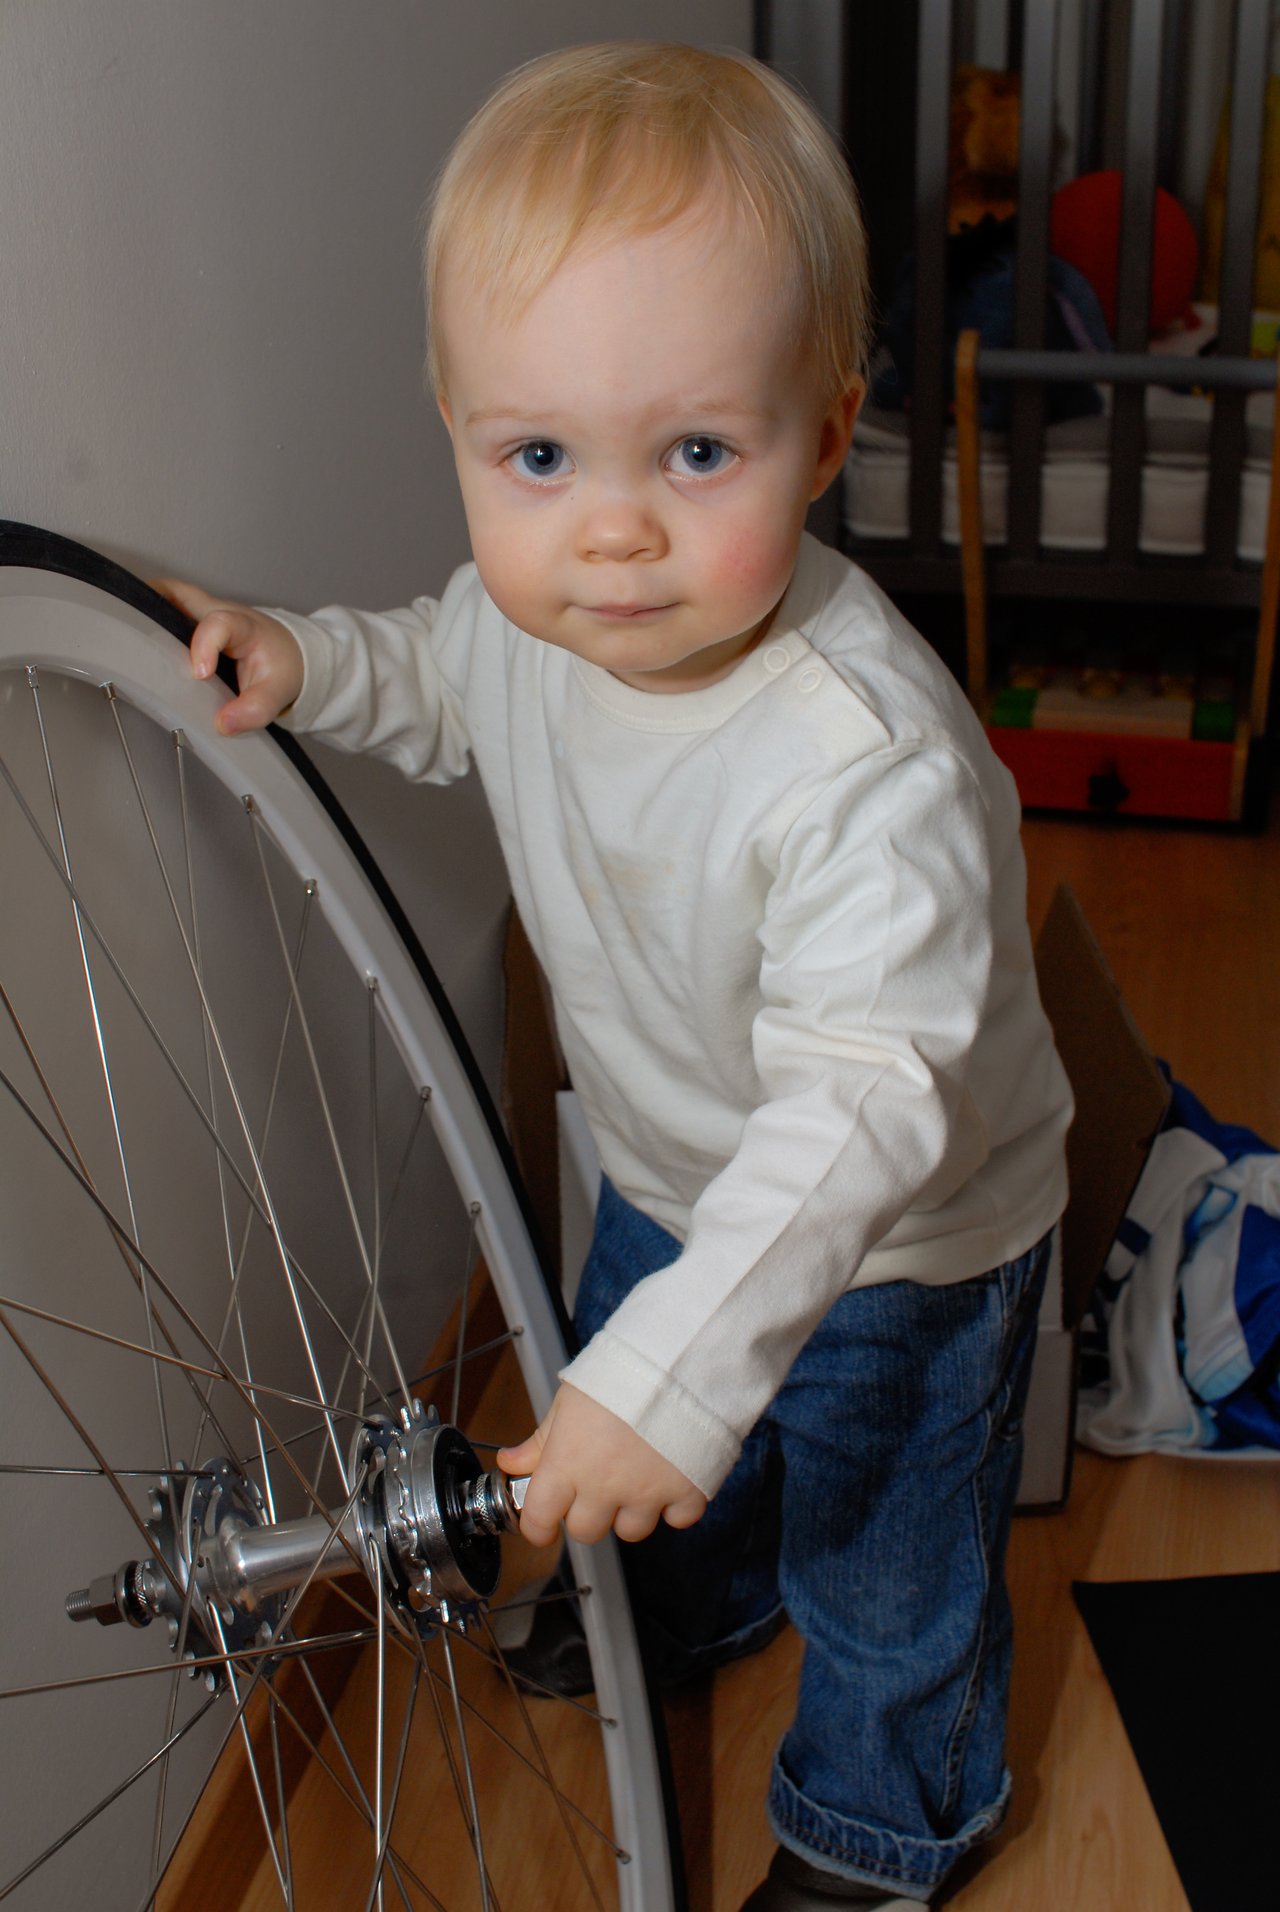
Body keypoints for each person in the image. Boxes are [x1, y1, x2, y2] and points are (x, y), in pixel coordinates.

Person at [160, 42, 1073, 1912]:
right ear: (459, 428)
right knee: (664, 1458)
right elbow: (435, 668)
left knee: (885, 1564)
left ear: (826, 432)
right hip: (666, 1170)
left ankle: (891, 1817)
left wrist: (672, 1372)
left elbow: (870, 1093)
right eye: (540, 457)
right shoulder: (541, 619)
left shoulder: (859, 762)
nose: (615, 528)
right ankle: (672, 1602)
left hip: (906, 1244)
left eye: (699, 452)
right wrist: (308, 666)